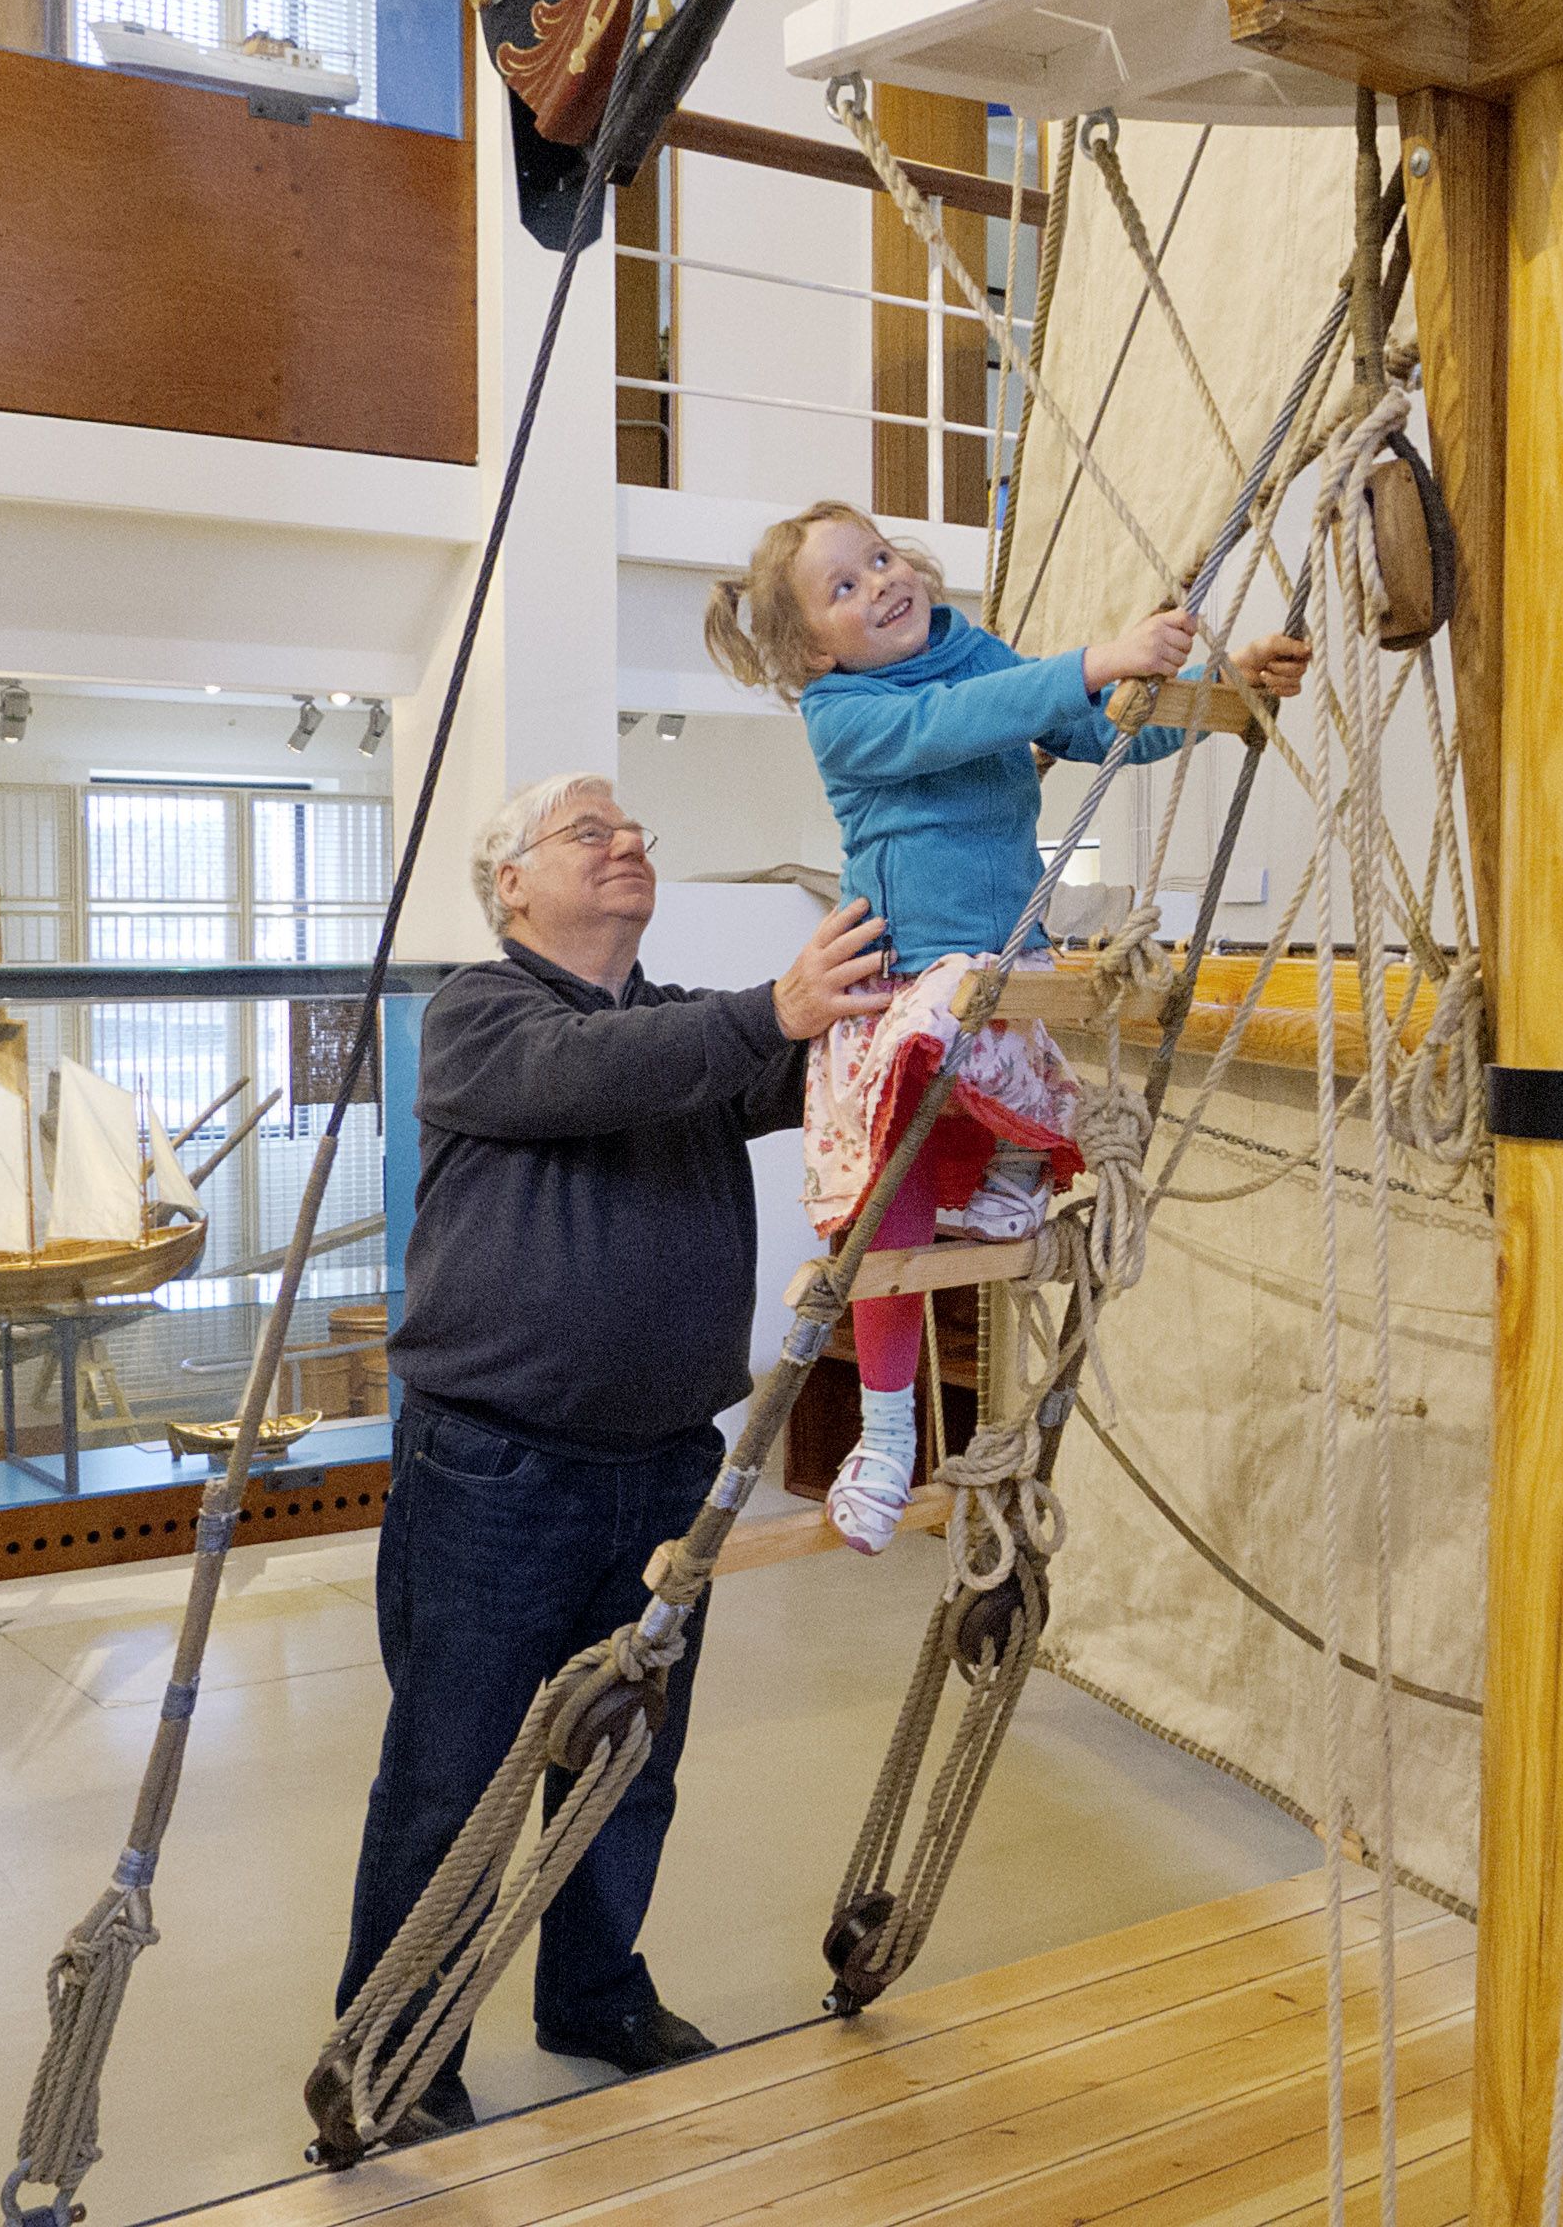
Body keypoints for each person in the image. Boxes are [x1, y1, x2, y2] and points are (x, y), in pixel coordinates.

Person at [337, 769, 894, 2143]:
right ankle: (394, 2050)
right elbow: (594, 1074)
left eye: (638, 829)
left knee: (626, 1759)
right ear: (511, 884)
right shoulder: (479, 1015)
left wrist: (913, 958)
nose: (627, 843)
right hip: (493, 1474)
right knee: (452, 1774)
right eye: (591, 833)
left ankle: (593, 1993)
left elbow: (802, 1061)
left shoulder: (678, 1033)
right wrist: (768, 1011)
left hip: (665, 1471)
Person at [701, 500, 1308, 1551]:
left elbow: (1101, 725)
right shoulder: (840, 713)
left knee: (997, 1035)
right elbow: (956, 725)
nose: (879, 584)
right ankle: (884, 1431)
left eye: (881, 559)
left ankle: (1011, 1172)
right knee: (878, 1220)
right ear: (813, 647)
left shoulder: (972, 650)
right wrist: (1094, 655)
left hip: (998, 968)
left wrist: (1229, 691)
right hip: (905, 980)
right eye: (843, 587)